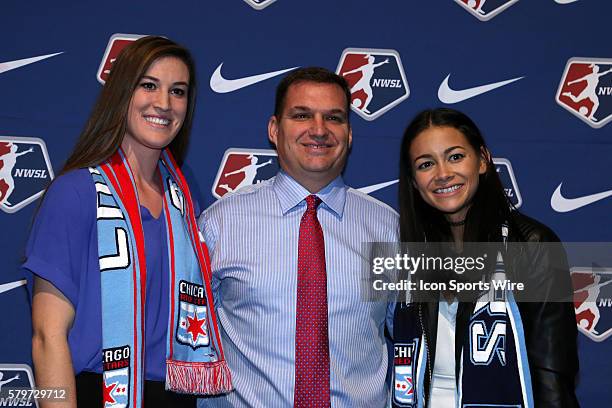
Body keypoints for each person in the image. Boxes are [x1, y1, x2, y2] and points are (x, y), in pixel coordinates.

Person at [25, 36, 231, 408]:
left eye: (178, 91)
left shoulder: (182, 199)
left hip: (174, 395)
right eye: (148, 85)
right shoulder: (75, 193)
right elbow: (46, 335)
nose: (164, 104)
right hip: (96, 393)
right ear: (122, 93)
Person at [198, 67, 398, 407]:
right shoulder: (221, 223)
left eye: (334, 118)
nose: (318, 130)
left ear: (349, 134)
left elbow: (423, 339)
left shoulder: (388, 228)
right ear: (275, 130)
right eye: (302, 115)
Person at [392, 108, 579, 407]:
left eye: (455, 156)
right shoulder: (405, 253)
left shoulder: (534, 245)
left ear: (482, 160)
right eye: (426, 164)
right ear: (414, 181)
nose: (442, 174)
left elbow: (552, 375)